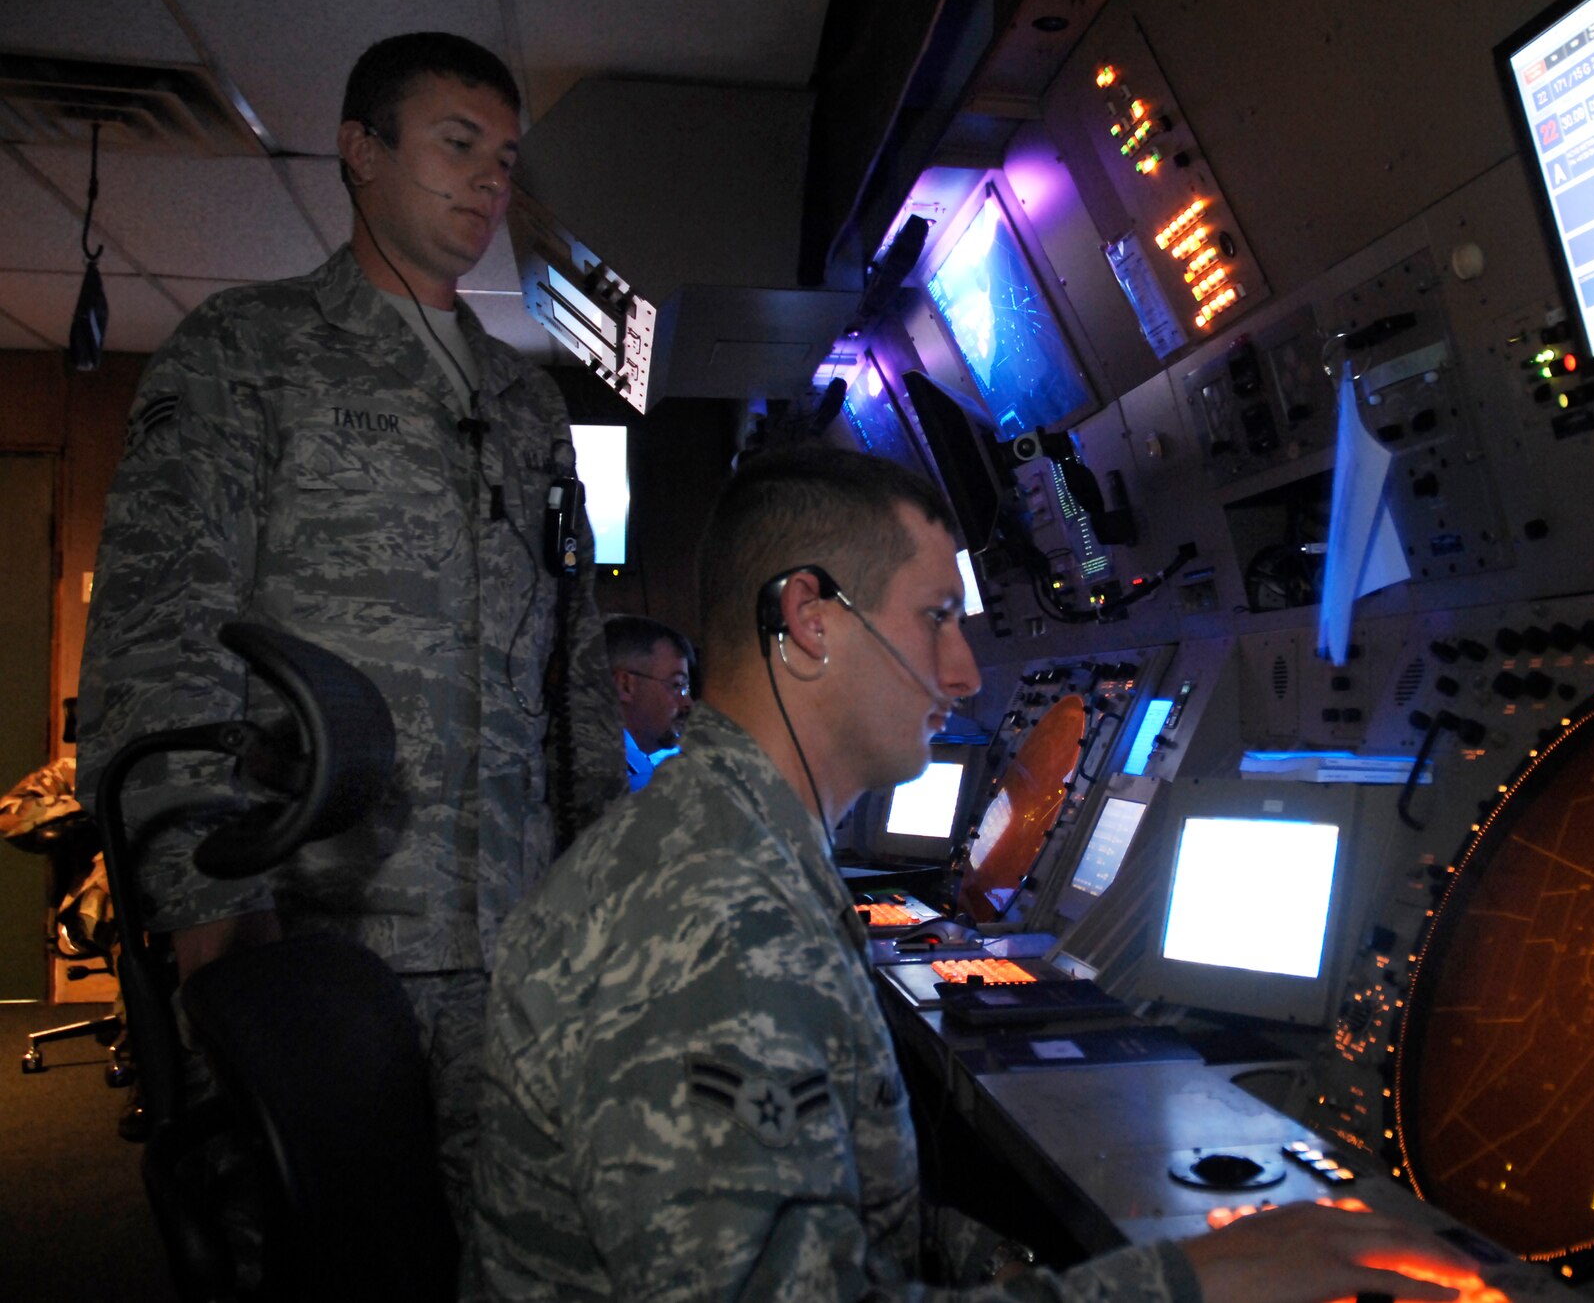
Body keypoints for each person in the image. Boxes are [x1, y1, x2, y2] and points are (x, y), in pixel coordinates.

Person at [471, 447, 1476, 1301]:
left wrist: (1016, 1259)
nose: (960, 671)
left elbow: (839, 1222)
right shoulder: (715, 916)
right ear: (810, 619)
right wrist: (1183, 1279)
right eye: (935, 616)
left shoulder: (733, 845)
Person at [75, 31, 624, 1224]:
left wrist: (601, 889)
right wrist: (211, 919)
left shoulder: (525, 401)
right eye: (457, 143)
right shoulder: (245, 354)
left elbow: (570, 667)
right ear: (360, 150)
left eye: (505, 156)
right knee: (331, 1259)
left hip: (513, 949)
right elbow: (157, 642)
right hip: (318, 939)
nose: (490, 179)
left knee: (513, 1253)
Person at [604, 614, 696, 791]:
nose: (688, 703)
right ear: (626, 686)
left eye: (687, 689)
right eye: (677, 685)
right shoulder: (623, 783)